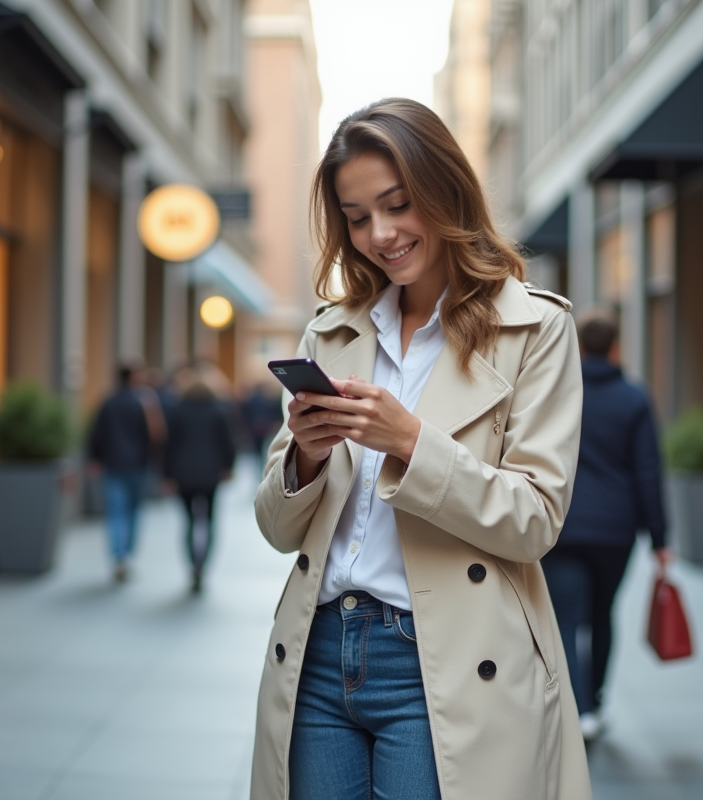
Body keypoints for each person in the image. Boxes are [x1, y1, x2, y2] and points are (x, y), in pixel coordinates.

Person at [251, 98, 590, 800]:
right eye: (356, 215)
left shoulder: (534, 330)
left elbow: (535, 521)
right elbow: (278, 531)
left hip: (447, 662)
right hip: (318, 653)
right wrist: (306, 460)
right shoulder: (333, 332)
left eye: (397, 204)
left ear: (443, 189)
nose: (380, 233)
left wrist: (410, 442)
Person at [542, 313, 670, 741]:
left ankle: (572, 706)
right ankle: (593, 702)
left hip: (562, 523)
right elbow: (648, 471)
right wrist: (660, 538)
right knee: (602, 615)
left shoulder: (560, 391)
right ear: (615, 348)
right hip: (616, 530)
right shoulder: (634, 398)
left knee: (563, 617)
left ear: (578, 347)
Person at [87, 359, 166, 583]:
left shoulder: (108, 402)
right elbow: (155, 435)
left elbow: (97, 433)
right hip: (137, 465)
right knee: (132, 511)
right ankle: (127, 554)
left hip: (112, 464)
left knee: (115, 511)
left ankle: (118, 556)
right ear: (133, 377)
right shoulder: (144, 402)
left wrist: (94, 459)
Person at [163, 367, 237, 593]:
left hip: (183, 473)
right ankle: (202, 565)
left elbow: (169, 445)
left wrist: (166, 474)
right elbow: (227, 442)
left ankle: (191, 565)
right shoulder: (218, 410)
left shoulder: (176, 411)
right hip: (210, 473)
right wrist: (228, 467)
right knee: (210, 520)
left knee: (189, 522)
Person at [242, 381, 284, 476]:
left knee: (258, 449)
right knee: (266, 448)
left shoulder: (252, 399)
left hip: (255, 428)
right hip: (265, 427)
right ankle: (263, 467)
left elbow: (247, 413)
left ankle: (260, 466)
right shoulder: (268, 400)